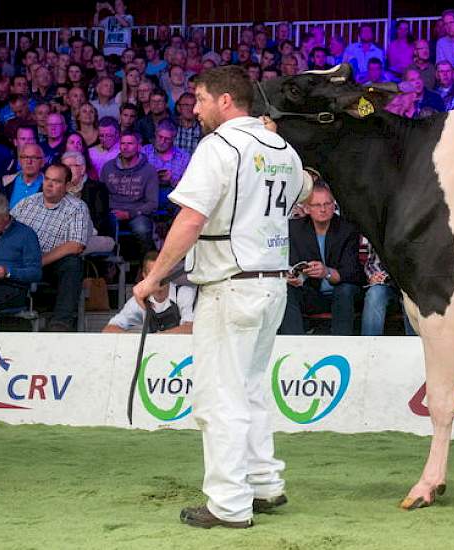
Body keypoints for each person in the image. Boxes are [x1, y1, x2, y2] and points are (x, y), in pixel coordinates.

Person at [133, 65, 309, 528]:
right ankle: (265, 484)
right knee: (249, 388)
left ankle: (229, 504)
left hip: (231, 285)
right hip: (271, 282)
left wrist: (155, 276)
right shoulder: (282, 148)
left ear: (226, 101)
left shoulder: (219, 146)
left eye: (200, 98)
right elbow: (306, 189)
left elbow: (191, 219)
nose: (195, 107)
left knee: (219, 398)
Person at [12, 163, 92, 331]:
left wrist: (38, 261)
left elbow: (76, 245)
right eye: (47, 179)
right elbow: (7, 229)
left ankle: (60, 323)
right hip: (20, 260)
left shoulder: (77, 208)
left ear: (67, 186)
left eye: (56, 181)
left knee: (73, 262)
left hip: (50, 265)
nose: (49, 185)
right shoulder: (27, 203)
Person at [279, 181, 362, 336]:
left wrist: (327, 272)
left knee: (344, 291)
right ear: (307, 208)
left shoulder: (347, 229)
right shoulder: (295, 229)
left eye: (327, 204)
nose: (323, 209)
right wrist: (293, 277)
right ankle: (295, 345)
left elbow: (352, 273)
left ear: (334, 205)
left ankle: (341, 347)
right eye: (317, 205)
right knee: (285, 291)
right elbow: (290, 263)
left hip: (343, 294)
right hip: (310, 292)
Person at [0, 192, 42, 331]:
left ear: (6, 216)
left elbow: (35, 273)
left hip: (12, 288)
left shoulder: (26, 235)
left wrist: (8, 272)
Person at [100, 129, 158, 257]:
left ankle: (146, 266)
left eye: (130, 144)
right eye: (123, 144)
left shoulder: (149, 170)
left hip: (138, 212)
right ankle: (108, 269)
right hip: (112, 211)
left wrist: (129, 214)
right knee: (104, 225)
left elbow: (152, 203)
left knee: (142, 229)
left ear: (138, 146)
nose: (125, 147)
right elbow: (101, 196)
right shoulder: (108, 167)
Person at [105, 251, 193, 333]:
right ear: (144, 276)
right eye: (153, 274)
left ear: (169, 272)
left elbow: (189, 327)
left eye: (162, 272)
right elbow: (110, 328)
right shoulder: (139, 300)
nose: (158, 278)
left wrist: (156, 339)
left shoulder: (184, 293)